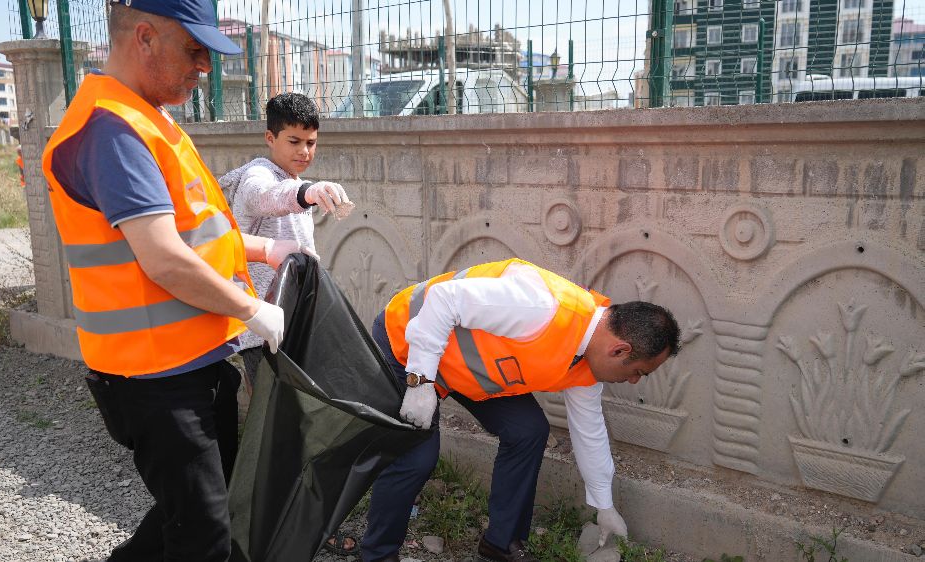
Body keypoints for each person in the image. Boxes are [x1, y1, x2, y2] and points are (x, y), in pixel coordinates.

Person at [41, 1, 309, 560]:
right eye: (194, 50)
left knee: (187, 513)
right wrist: (251, 308)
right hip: (152, 375)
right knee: (204, 537)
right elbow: (162, 257)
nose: (204, 67)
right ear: (144, 36)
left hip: (191, 360)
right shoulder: (110, 129)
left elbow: (194, 233)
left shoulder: (148, 116)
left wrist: (265, 246)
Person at [362, 258, 681, 562]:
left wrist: (604, 505)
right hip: (406, 344)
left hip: (463, 369)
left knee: (527, 431)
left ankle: (500, 542)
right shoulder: (541, 306)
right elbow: (442, 299)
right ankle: (378, 553)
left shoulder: (587, 363)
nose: (635, 381)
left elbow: (589, 431)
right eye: (639, 371)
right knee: (416, 457)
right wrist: (420, 383)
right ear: (620, 350)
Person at [219, 92, 350, 389]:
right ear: (270, 137)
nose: (304, 151)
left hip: (294, 318)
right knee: (274, 413)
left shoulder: (292, 180)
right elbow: (265, 197)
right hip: (263, 325)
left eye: (311, 142)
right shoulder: (259, 174)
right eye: (294, 141)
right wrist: (307, 193)